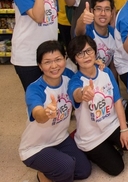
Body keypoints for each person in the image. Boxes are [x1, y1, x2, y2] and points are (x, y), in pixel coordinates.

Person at [19, 41, 91, 182]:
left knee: (84, 171)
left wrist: (98, 66)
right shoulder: (35, 89)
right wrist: (45, 113)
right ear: (40, 66)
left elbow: (86, 74)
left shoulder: (68, 76)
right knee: (66, 166)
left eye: (58, 60)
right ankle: (44, 174)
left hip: (60, 138)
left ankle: (52, 167)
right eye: (47, 62)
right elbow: (38, 114)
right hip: (35, 148)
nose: (54, 66)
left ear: (65, 59)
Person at [68, 35, 128, 176]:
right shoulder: (75, 81)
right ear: (75, 58)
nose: (86, 56)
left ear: (95, 52)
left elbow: (117, 100)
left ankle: (111, 144)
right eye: (80, 53)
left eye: (89, 51)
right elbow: (76, 93)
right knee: (117, 168)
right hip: (91, 136)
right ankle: (83, 146)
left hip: (111, 124)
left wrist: (124, 129)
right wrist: (83, 93)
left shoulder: (105, 72)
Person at [12, 0, 59, 90]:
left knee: (51, 96)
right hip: (28, 56)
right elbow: (39, 17)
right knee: (36, 100)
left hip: (48, 54)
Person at [75, 0, 117, 77]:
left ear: (111, 13)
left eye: (107, 9)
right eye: (98, 9)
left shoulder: (114, 34)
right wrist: (82, 19)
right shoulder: (88, 30)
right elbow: (79, 33)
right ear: (91, 11)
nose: (103, 13)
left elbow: (113, 67)